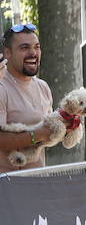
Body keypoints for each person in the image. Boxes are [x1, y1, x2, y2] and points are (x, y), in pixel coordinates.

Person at [0, 22, 54, 174]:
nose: (33, 53)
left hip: (38, 184)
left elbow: (47, 136)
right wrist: (38, 133)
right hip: (7, 188)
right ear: (7, 53)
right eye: (24, 48)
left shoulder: (43, 87)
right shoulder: (1, 88)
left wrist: (65, 128)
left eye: (36, 47)